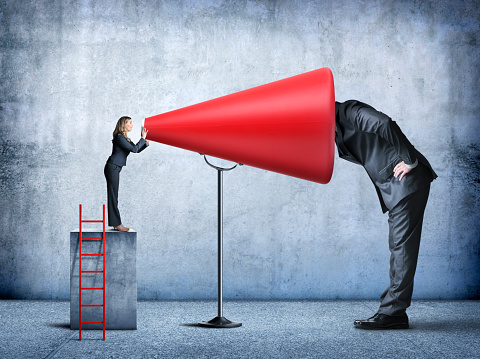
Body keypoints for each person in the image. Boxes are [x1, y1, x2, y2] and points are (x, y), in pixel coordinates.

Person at [335, 100, 437, 329]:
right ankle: (394, 311)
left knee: (402, 249)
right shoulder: (334, 122)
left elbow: (383, 122)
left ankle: (393, 314)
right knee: (399, 247)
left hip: (406, 183)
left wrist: (409, 160)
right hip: (396, 186)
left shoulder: (351, 111)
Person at [104, 116, 149, 231]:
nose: (132, 125)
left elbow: (136, 148)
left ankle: (115, 223)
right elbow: (134, 149)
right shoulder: (119, 138)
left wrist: (145, 142)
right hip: (112, 167)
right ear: (123, 124)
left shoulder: (125, 138)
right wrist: (142, 138)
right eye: (130, 123)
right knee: (113, 196)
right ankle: (117, 224)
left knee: (114, 195)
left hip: (115, 168)